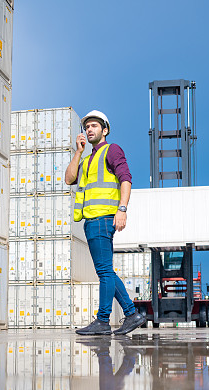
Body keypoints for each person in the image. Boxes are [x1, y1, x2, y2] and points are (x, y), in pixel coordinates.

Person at [65, 110, 147, 335]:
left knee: (104, 271)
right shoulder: (86, 159)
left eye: (94, 126)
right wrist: (78, 151)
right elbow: (69, 178)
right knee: (107, 271)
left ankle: (102, 321)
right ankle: (132, 314)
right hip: (91, 220)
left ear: (105, 130)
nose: (89, 130)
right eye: (87, 127)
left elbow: (126, 179)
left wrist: (122, 209)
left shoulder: (112, 150)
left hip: (103, 219)